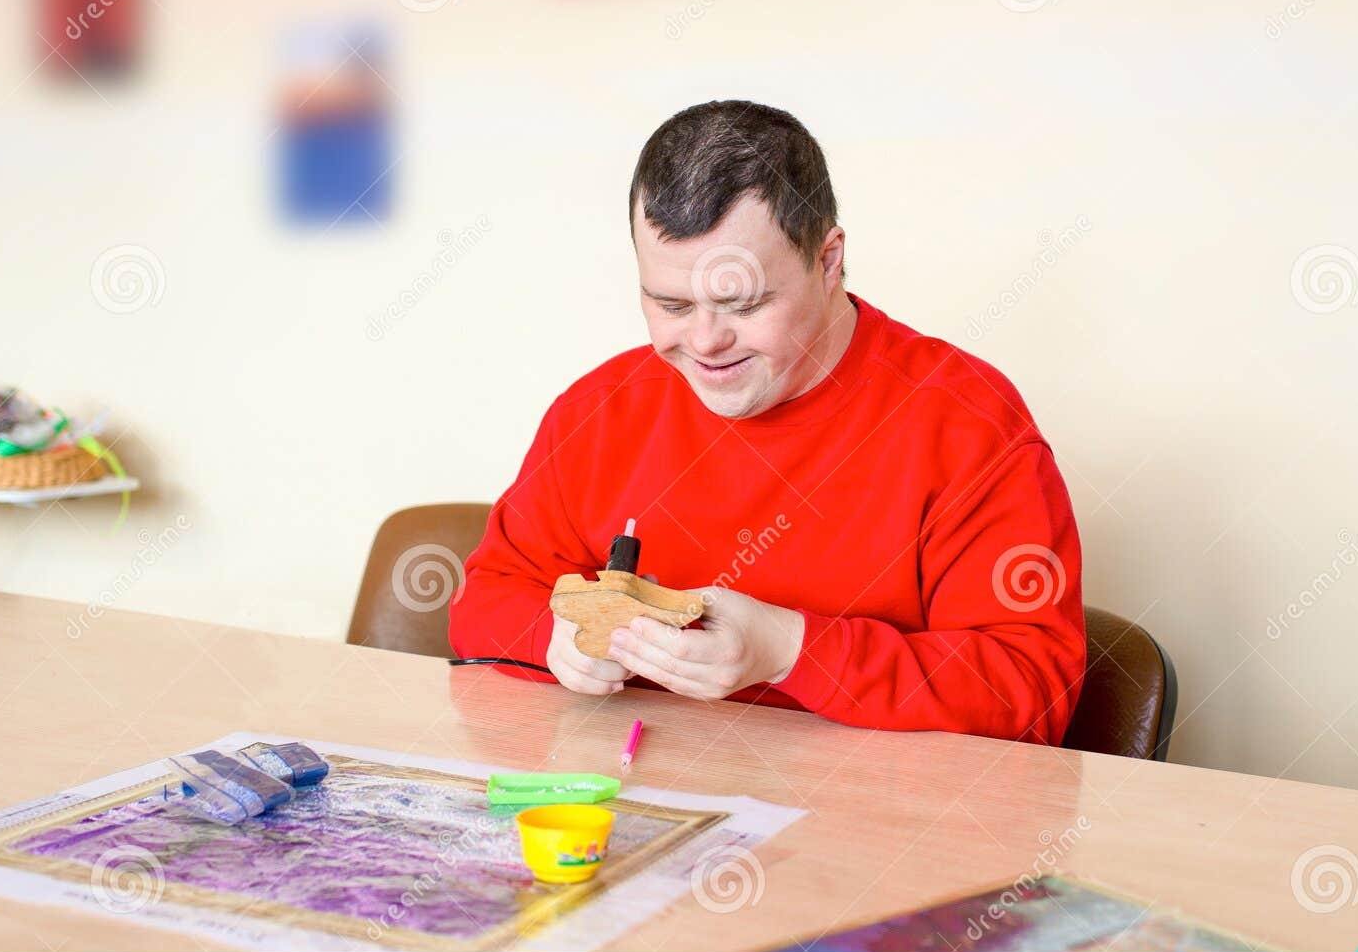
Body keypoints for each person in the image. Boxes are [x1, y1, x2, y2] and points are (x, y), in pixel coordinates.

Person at [448, 100, 1085, 745]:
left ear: (828, 259)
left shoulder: (968, 424)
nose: (704, 341)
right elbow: (484, 602)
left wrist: (790, 650)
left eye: (742, 303)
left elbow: (1031, 692)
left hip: (875, 828)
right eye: (670, 303)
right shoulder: (601, 409)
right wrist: (557, 638)